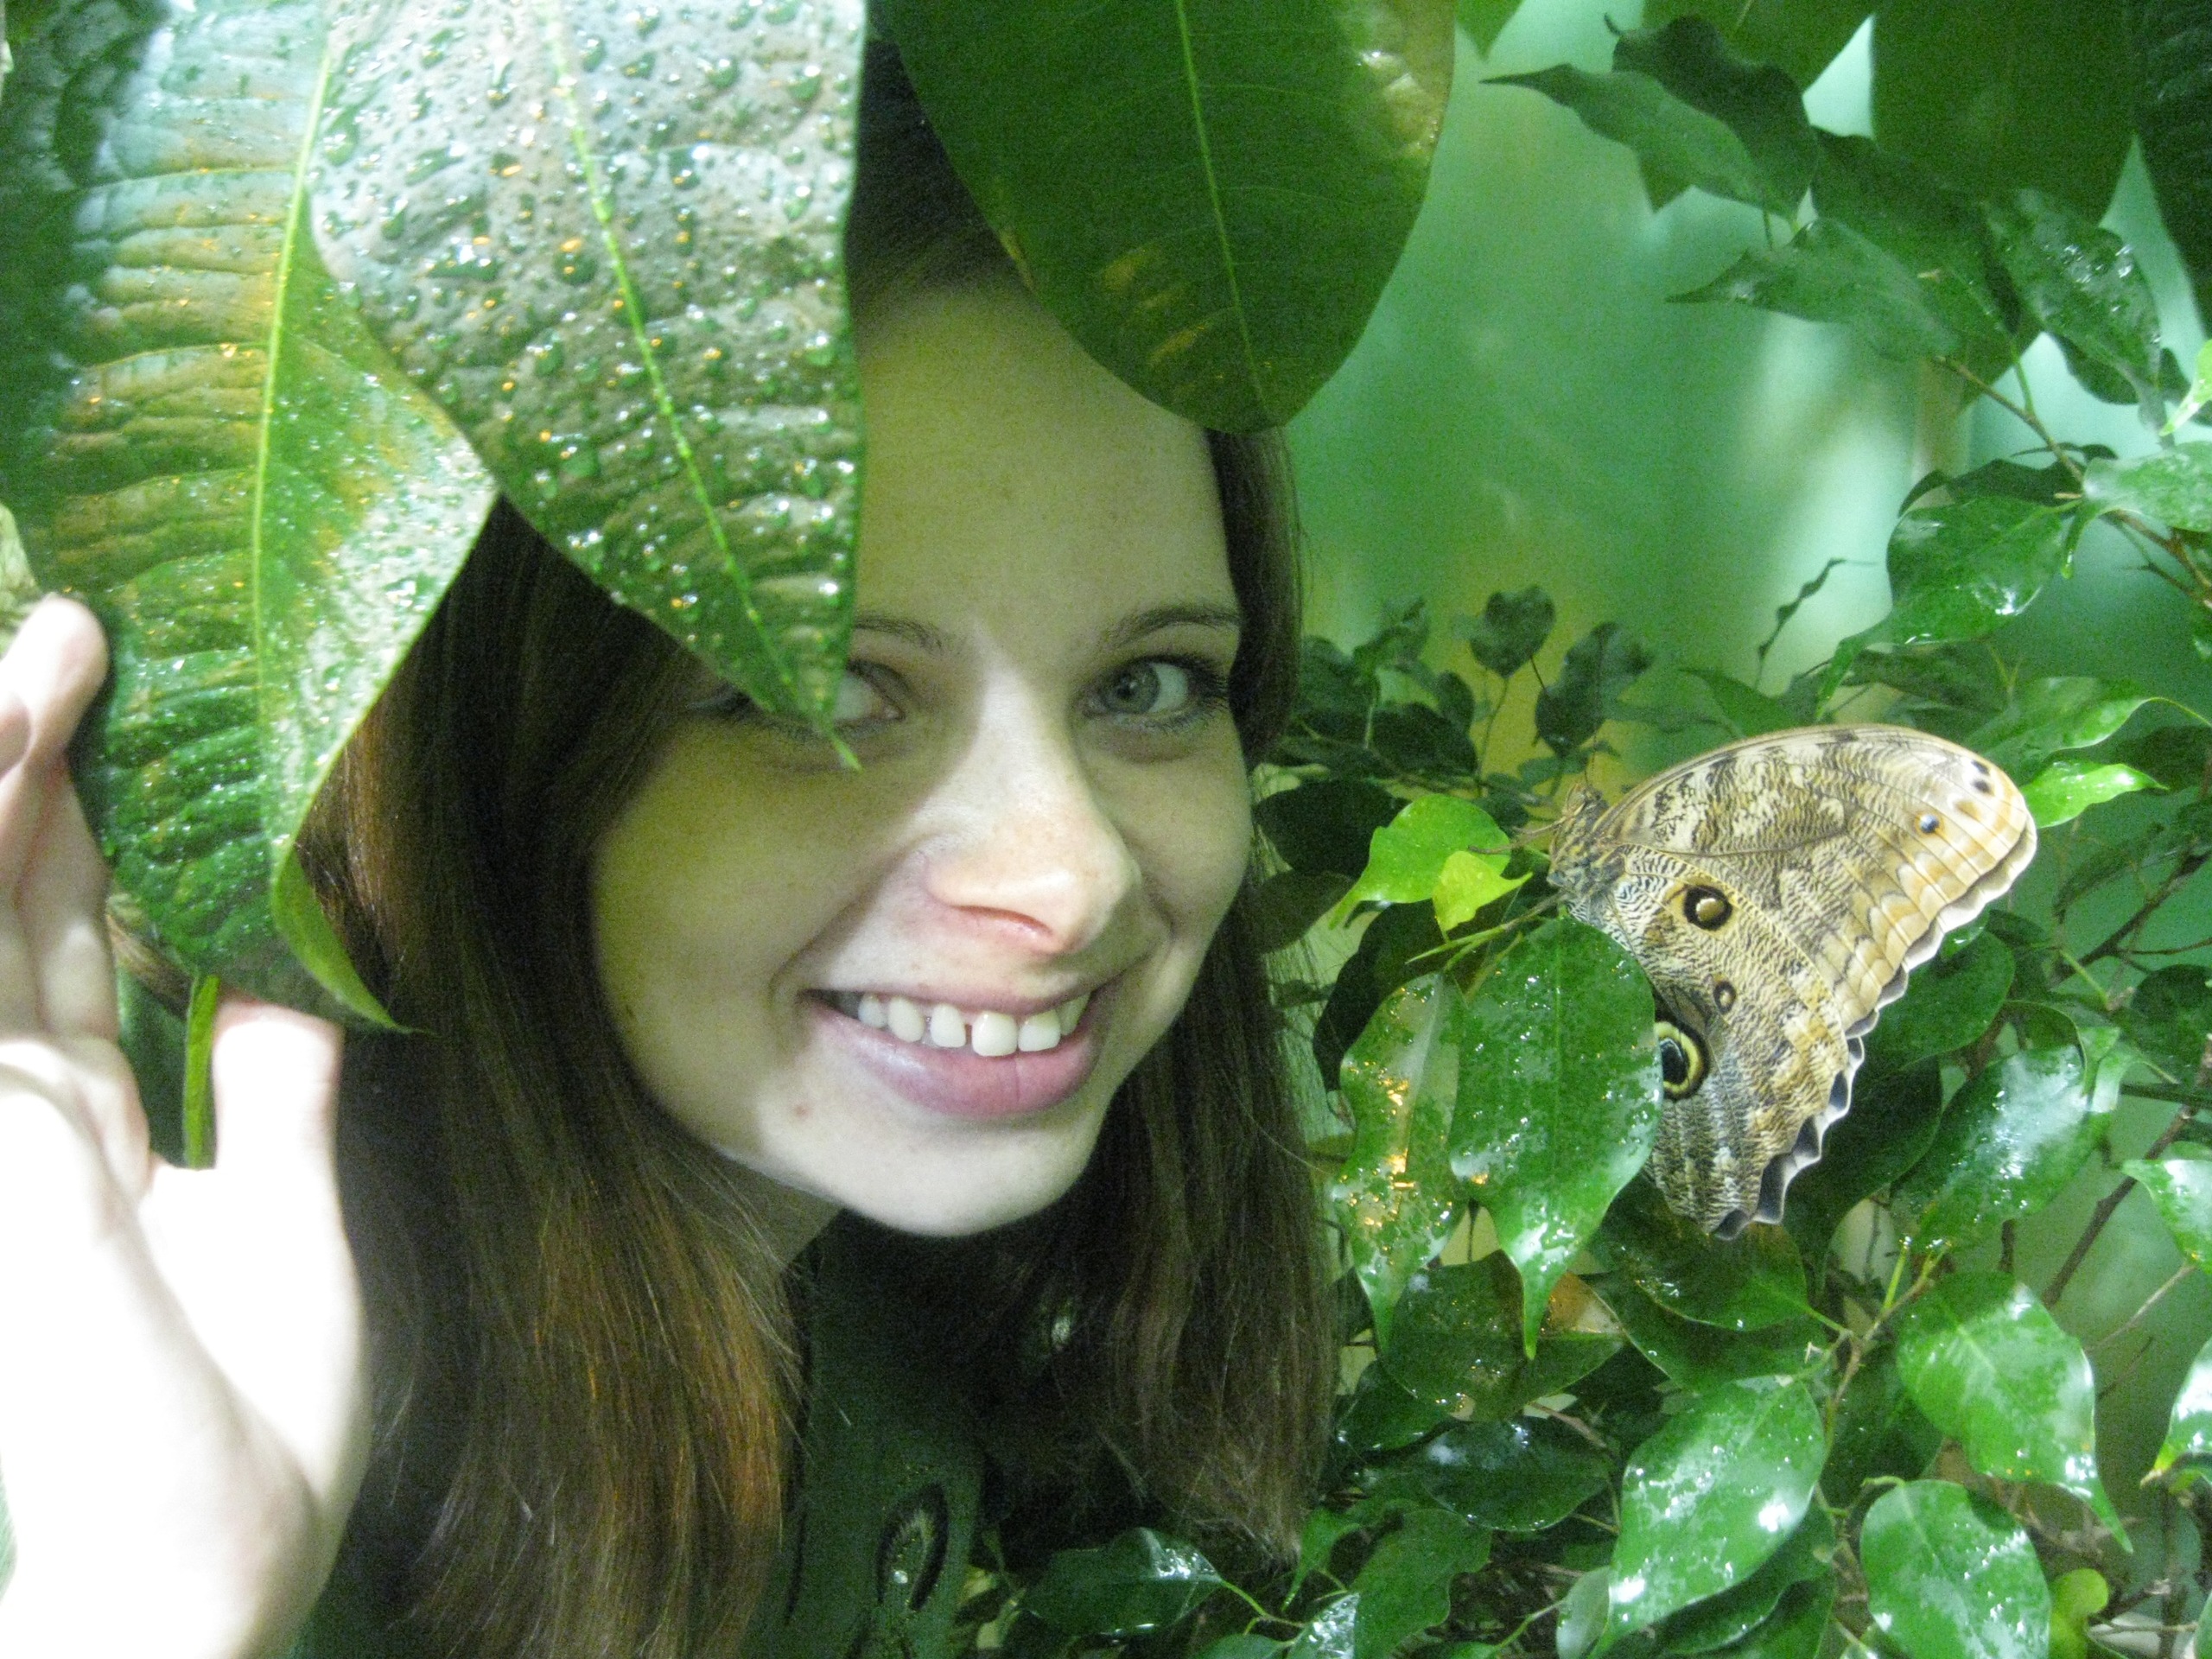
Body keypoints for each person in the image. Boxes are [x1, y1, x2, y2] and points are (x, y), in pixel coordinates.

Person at [0, 41, 1337, 1659]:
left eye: (1149, 686)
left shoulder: (872, 1276)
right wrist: (146, 1613)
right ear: (494, 740)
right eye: (818, 697)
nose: (1072, 884)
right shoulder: (122, 1334)